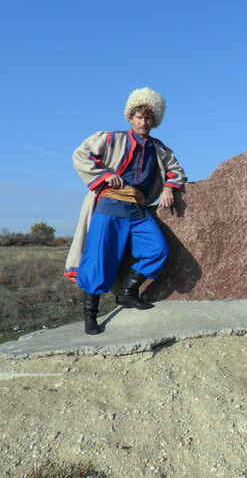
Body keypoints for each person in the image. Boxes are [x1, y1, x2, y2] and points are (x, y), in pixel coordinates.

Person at [64, 87, 187, 334]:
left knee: (157, 249)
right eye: (139, 117)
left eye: (149, 117)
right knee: (99, 260)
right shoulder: (112, 139)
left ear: (155, 120)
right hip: (110, 206)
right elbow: (81, 155)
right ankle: (91, 316)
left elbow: (176, 170)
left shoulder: (159, 148)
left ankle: (128, 293)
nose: (144, 121)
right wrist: (107, 175)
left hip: (138, 209)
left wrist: (169, 188)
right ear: (131, 117)